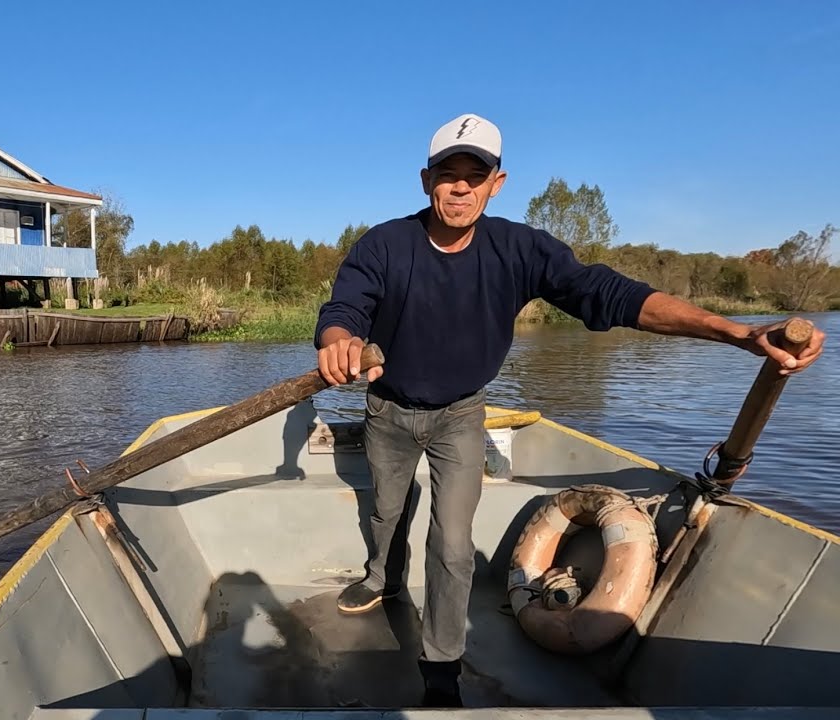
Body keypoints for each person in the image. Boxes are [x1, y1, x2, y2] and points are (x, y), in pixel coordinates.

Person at [313, 113, 826, 708]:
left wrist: (733, 332)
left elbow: (611, 294)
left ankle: (440, 671)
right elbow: (346, 304)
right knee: (385, 512)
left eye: (473, 176)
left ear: (496, 183)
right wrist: (337, 339)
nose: (459, 187)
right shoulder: (384, 244)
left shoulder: (520, 248)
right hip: (389, 409)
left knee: (452, 544)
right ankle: (382, 576)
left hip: (461, 413)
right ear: (425, 181)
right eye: (446, 175)